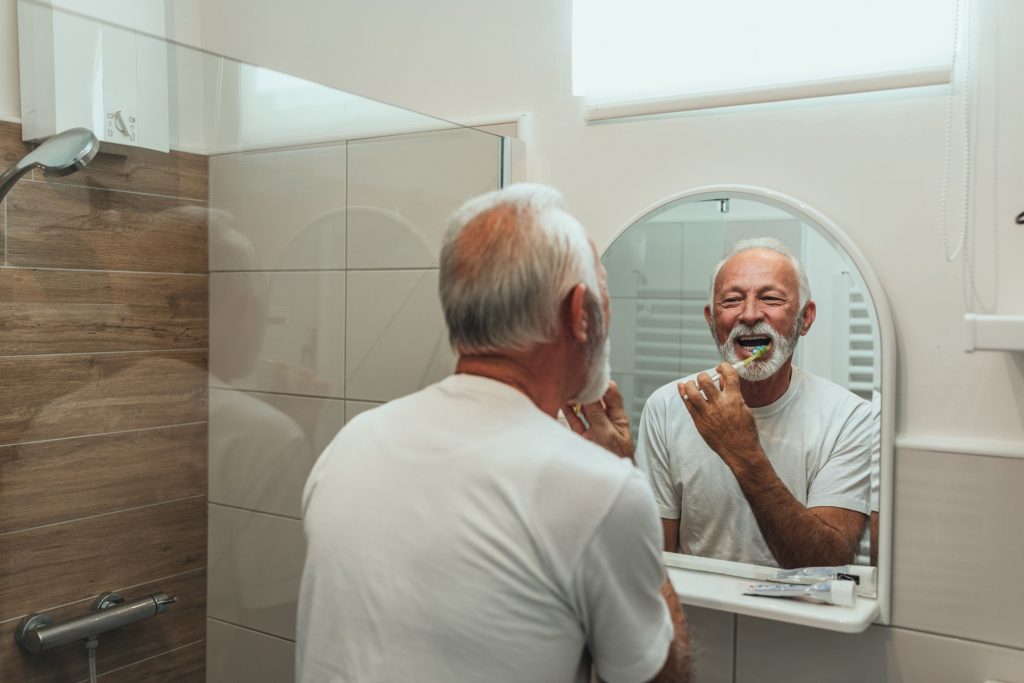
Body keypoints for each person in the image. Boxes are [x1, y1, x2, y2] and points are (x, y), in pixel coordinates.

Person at [296, 184, 689, 683]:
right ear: (578, 313)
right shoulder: (597, 489)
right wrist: (618, 470)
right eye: (604, 294)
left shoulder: (353, 444)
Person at [636, 237, 872, 569]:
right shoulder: (668, 406)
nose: (749, 314)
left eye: (771, 298)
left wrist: (744, 454)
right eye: (731, 300)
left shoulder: (849, 417)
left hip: (799, 619)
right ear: (711, 320)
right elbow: (655, 561)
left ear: (805, 319)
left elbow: (826, 561)